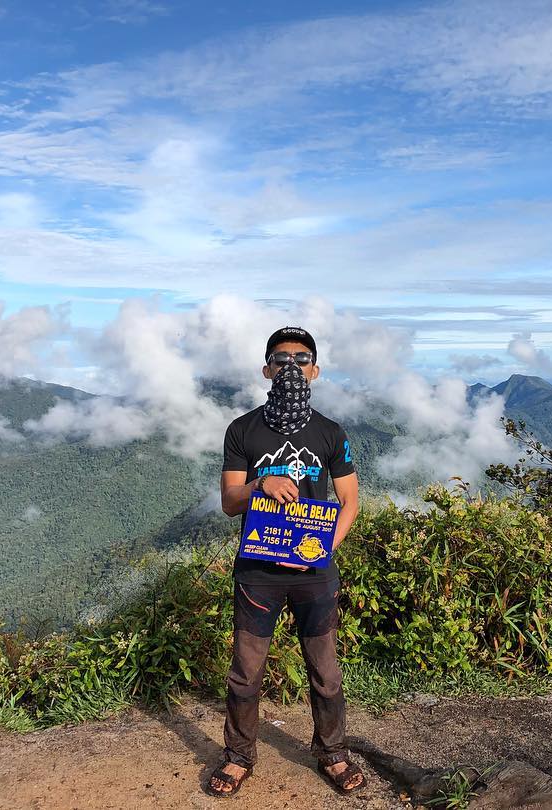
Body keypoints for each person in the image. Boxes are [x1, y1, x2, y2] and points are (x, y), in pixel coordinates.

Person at [208, 326, 366, 798]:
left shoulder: (330, 433)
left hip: (315, 575)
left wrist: (321, 550)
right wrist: (260, 485)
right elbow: (230, 501)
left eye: (301, 358)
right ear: (266, 370)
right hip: (258, 573)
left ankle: (332, 753)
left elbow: (350, 502)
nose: (291, 367)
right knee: (245, 671)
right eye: (280, 359)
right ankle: (238, 757)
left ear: (315, 370)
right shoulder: (242, 430)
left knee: (325, 671)